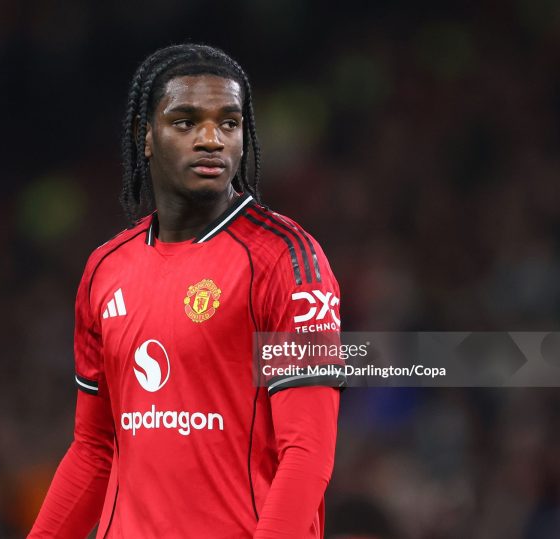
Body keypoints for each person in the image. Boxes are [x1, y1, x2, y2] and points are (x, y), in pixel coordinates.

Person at [29, 43, 344, 538]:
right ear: (146, 136)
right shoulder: (106, 268)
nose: (211, 139)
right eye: (185, 122)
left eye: (229, 123)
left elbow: (308, 454)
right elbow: (94, 449)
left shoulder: (288, 261)